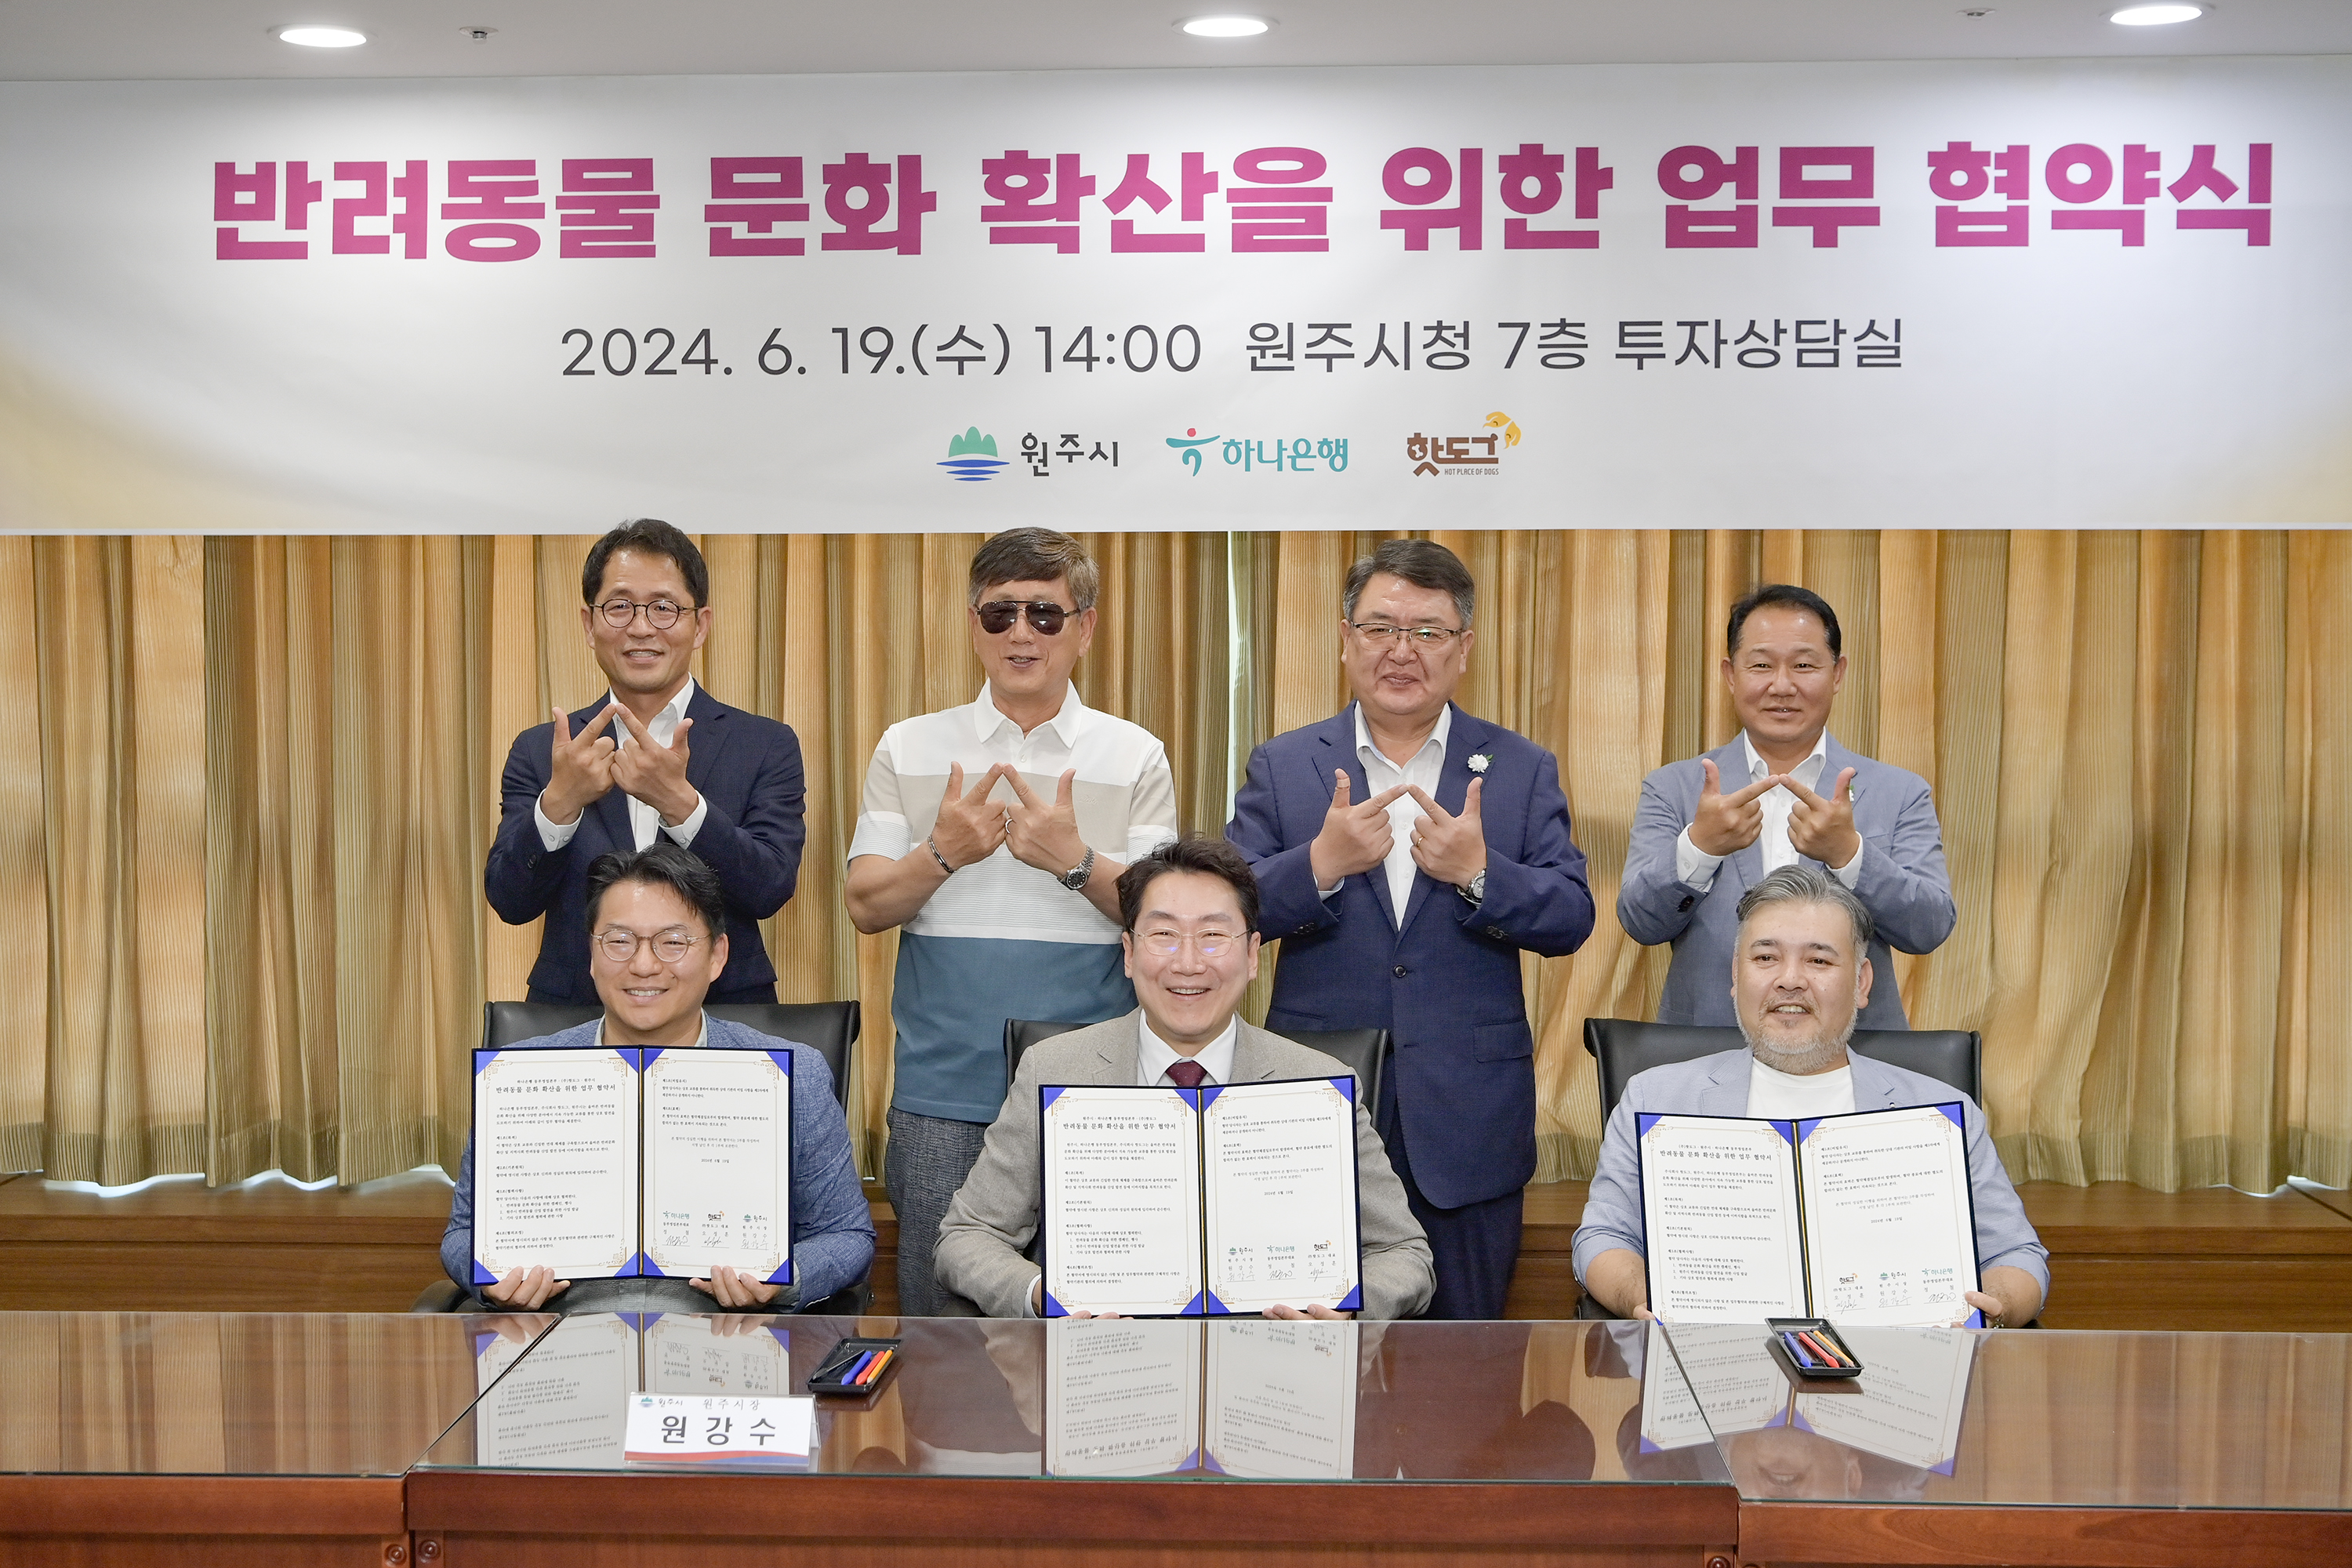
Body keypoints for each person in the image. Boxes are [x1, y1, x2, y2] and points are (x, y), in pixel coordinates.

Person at [1225, 539, 1593, 1320]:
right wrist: (1320, 864)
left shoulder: (1520, 766)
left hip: (1468, 1120)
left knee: (1468, 1372)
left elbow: (1570, 915)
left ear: (1464, 647)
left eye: (1428, 631)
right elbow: (1226, 912)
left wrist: (1481, 872)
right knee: (1309, 1362)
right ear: (1345, 639)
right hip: (1316, 1106)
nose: (1402, 650)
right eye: (1380, 628)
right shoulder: (1284, 765)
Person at [846, 528, 1178, 1316]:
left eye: (1044, 614)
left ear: (1085, 627)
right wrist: (943, 853)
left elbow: (1165, 926)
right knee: (941, 1329)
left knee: (1101, 1319)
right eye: (999, 614)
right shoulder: (909, 745)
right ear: (973, 625)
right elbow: (865, 904)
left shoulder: (1135, 754)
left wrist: (1074, 860)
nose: (1021, 633)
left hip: (1092, 1091)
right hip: (943, 1091)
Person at [933, 837, 1435, 1320]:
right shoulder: (1054, 1069)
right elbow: (968, 1236)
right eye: (1164, 936)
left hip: (1273, 1362)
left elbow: (1404, 1254)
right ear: (1129, 954)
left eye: (1213, 936)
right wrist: (1044, 1298)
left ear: (1252, 955)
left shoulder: (1319, 1084)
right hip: (1102, 1358)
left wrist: (1344, 1312)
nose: (1189, 963)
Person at [1573, 864, 2047, 1327]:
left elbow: (2015, 1256)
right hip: (1711, 1360)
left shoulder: (1940, 1113)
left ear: (1861, 982)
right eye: (1765, 958)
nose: (1790, 979)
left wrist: (1995, 1309)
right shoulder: (1656, 1098)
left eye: (1819, 961)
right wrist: (1644, 1298)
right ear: (1736, 976)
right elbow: (1604, 1237)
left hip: (1899, 1363)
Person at [443, 843, 873, 1313]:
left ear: (717, 955)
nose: (644, 965)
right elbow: (463, 1235)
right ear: (592, 953)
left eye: (672, 942)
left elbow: (846, 1235)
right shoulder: (517, 1075)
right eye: (619, 941)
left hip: (728, 1335)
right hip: (560, 1330)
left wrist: (783, 1277)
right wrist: (492, 1280)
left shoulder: (791, 1074)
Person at [485, 518, 806, 1005]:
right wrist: (559, 806)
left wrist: (682, 806)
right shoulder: (544, 750)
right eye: (619, 607)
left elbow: (769, 889)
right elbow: (511, 901)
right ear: (589, 624)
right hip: (576, 1013)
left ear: (700, 625)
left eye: (664, 608)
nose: (640, 627)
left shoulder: (765, 743)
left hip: (724, 1012)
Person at [1619, 583, 1953, 1028]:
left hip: (1853, 1053)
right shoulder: (1675, 788)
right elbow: (1640, 922)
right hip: (1707, 1048)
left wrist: (1849, 855)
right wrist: (1699, 848)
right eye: (1761, 665)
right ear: (1730, 675)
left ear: (1837, 674)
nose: (1781, 685)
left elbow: (1929, 927)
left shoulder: (1899, 791)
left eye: (1803, 665)